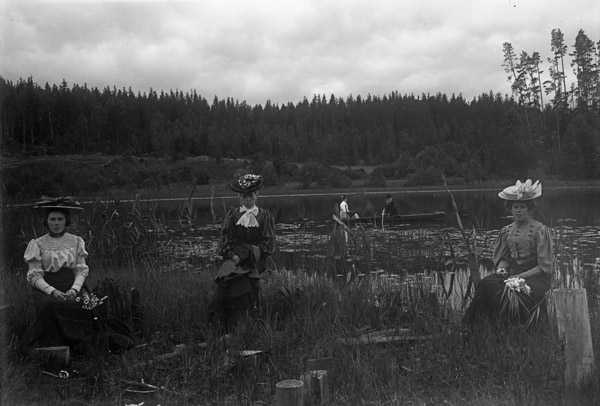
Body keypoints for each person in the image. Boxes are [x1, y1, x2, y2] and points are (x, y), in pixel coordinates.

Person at [463, 180, 553, 326]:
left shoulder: (541, 230)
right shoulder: (506, 231)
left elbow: (544, 267)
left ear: (529, 210)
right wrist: (502, 268)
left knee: (517, 292)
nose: (518, 211)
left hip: (537, 277)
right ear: (510, 210)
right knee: (486, 284)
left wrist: (520, 276)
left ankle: (525, 328)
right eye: (515, 207)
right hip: (513, 274)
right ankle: (480, 326)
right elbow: (505, 258)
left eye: (522, 207)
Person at [20, 196, 95, 355]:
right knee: (50, 305)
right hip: (46, 287)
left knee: (84, 303)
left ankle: (79, 347)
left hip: (71, 284)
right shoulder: (37, 243)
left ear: (66, 221)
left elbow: (81, 270)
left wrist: (75, 289)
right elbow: (34, 275)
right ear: (46, 221)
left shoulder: (76, 241)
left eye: (60, 219)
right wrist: (52, 291)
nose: (56, 223)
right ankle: (52, 346)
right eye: (52, 219)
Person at [209, 174, 276, 331]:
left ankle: (246, 325)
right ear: (239, 197)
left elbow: (268, 245)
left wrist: (250, 255)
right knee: (226, 278)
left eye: (251, 195)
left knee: (244, 280)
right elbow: (224, 242)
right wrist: (234, 256)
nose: (247, 199)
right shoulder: (233, 215)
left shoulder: (265, 215)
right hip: (235, 257)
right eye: (244, 196)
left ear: (257, 195)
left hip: (255, 259)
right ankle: (223, 325)